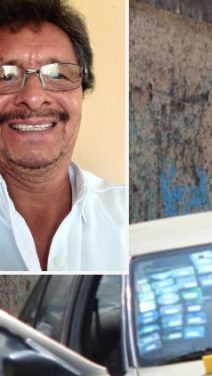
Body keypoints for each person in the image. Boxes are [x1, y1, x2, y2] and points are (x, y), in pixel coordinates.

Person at [0, 0, 126, 272]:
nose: (33, 98)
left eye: (57, 74)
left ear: (82, 91)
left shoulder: (127, 218)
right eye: (6, 75)